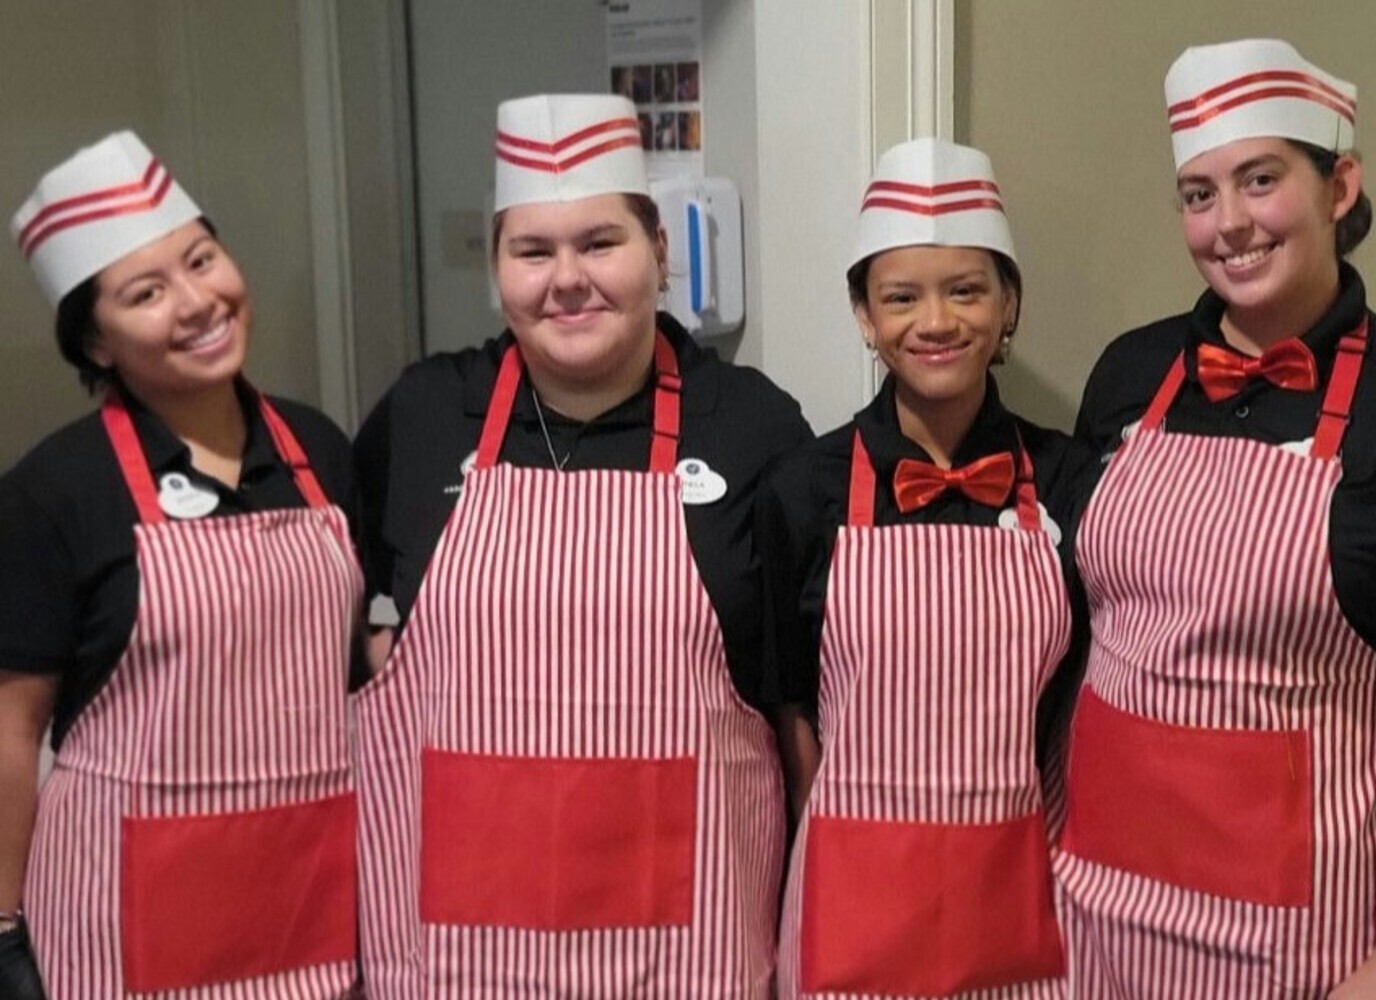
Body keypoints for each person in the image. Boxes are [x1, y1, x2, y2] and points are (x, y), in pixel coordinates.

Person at [1057, 39, 1376, 998]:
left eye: (1261, 181)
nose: (1230, 224)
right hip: (1103, 907)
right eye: (1199, 193)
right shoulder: (1130, 376)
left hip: (1309, 935)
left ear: (1340, 186)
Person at [353, 93, 811, 996]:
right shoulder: (423, 413)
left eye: (600, 242)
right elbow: (318, 612)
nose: (568, 278)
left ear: (659, 252)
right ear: (497, 270)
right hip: (455, 950)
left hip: (690, 942)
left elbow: (799, 696)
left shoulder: (754, 424)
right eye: (533, 251)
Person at [0, 132, 362, 998]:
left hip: (312, 898)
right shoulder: (55, 492)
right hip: (128, 918)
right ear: (95, 344)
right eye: (147, 293)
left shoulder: (319, 448)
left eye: (202, 260)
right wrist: (3, 928)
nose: (198, 302)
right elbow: (10, 734)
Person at [758, 137, 1094, 999]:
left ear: (1009, 303)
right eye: (901, 296)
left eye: (967, 290)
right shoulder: (804, 489)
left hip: (1023, 891)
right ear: (865, 315)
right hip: (849, 907)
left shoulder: (1068, 480)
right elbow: (789, 706)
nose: (935, 322)